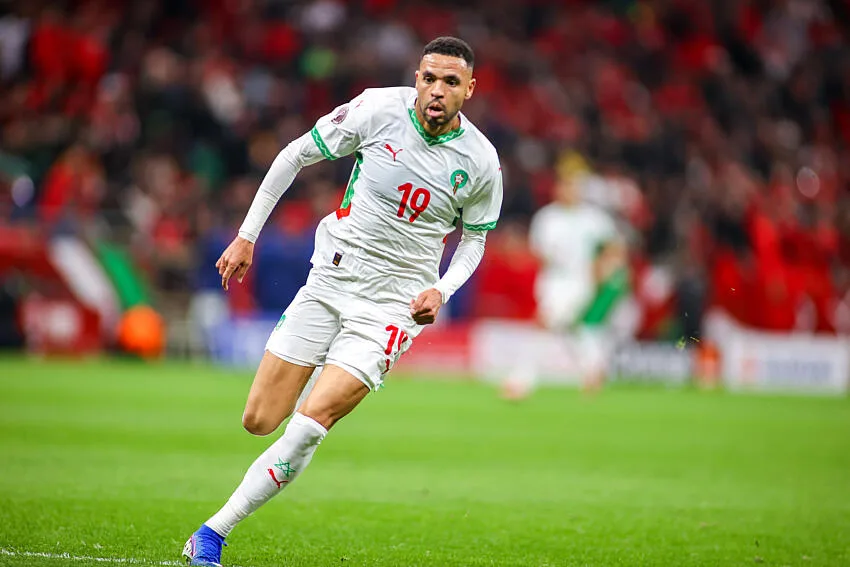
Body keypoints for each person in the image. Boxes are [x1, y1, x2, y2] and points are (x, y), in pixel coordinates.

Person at [182, 36, 502, 567]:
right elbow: (295, 155)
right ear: (417, 78)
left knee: (311, 423)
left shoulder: (482, 160)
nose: (437, 90)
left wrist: (442, 289)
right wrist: (247, 236)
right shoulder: (377, 109)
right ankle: (324, 380)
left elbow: (475, 239)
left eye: (451, 81)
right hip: (331, 280)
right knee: (259, 420)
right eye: (429, 78)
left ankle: (212, 532)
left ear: (469, 89)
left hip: (394, 306)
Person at [501, 172, 628, 399]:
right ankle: (594, 369)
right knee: (570, 328)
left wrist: (605, 268)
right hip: (551, 282)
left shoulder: (593, 218)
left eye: (573, 186)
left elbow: (614, 246)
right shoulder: (547, 217)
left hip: (579, 282)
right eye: (565, 186)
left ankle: (520, 381)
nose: (569, 191)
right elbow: (538, 251)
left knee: (543, 323)